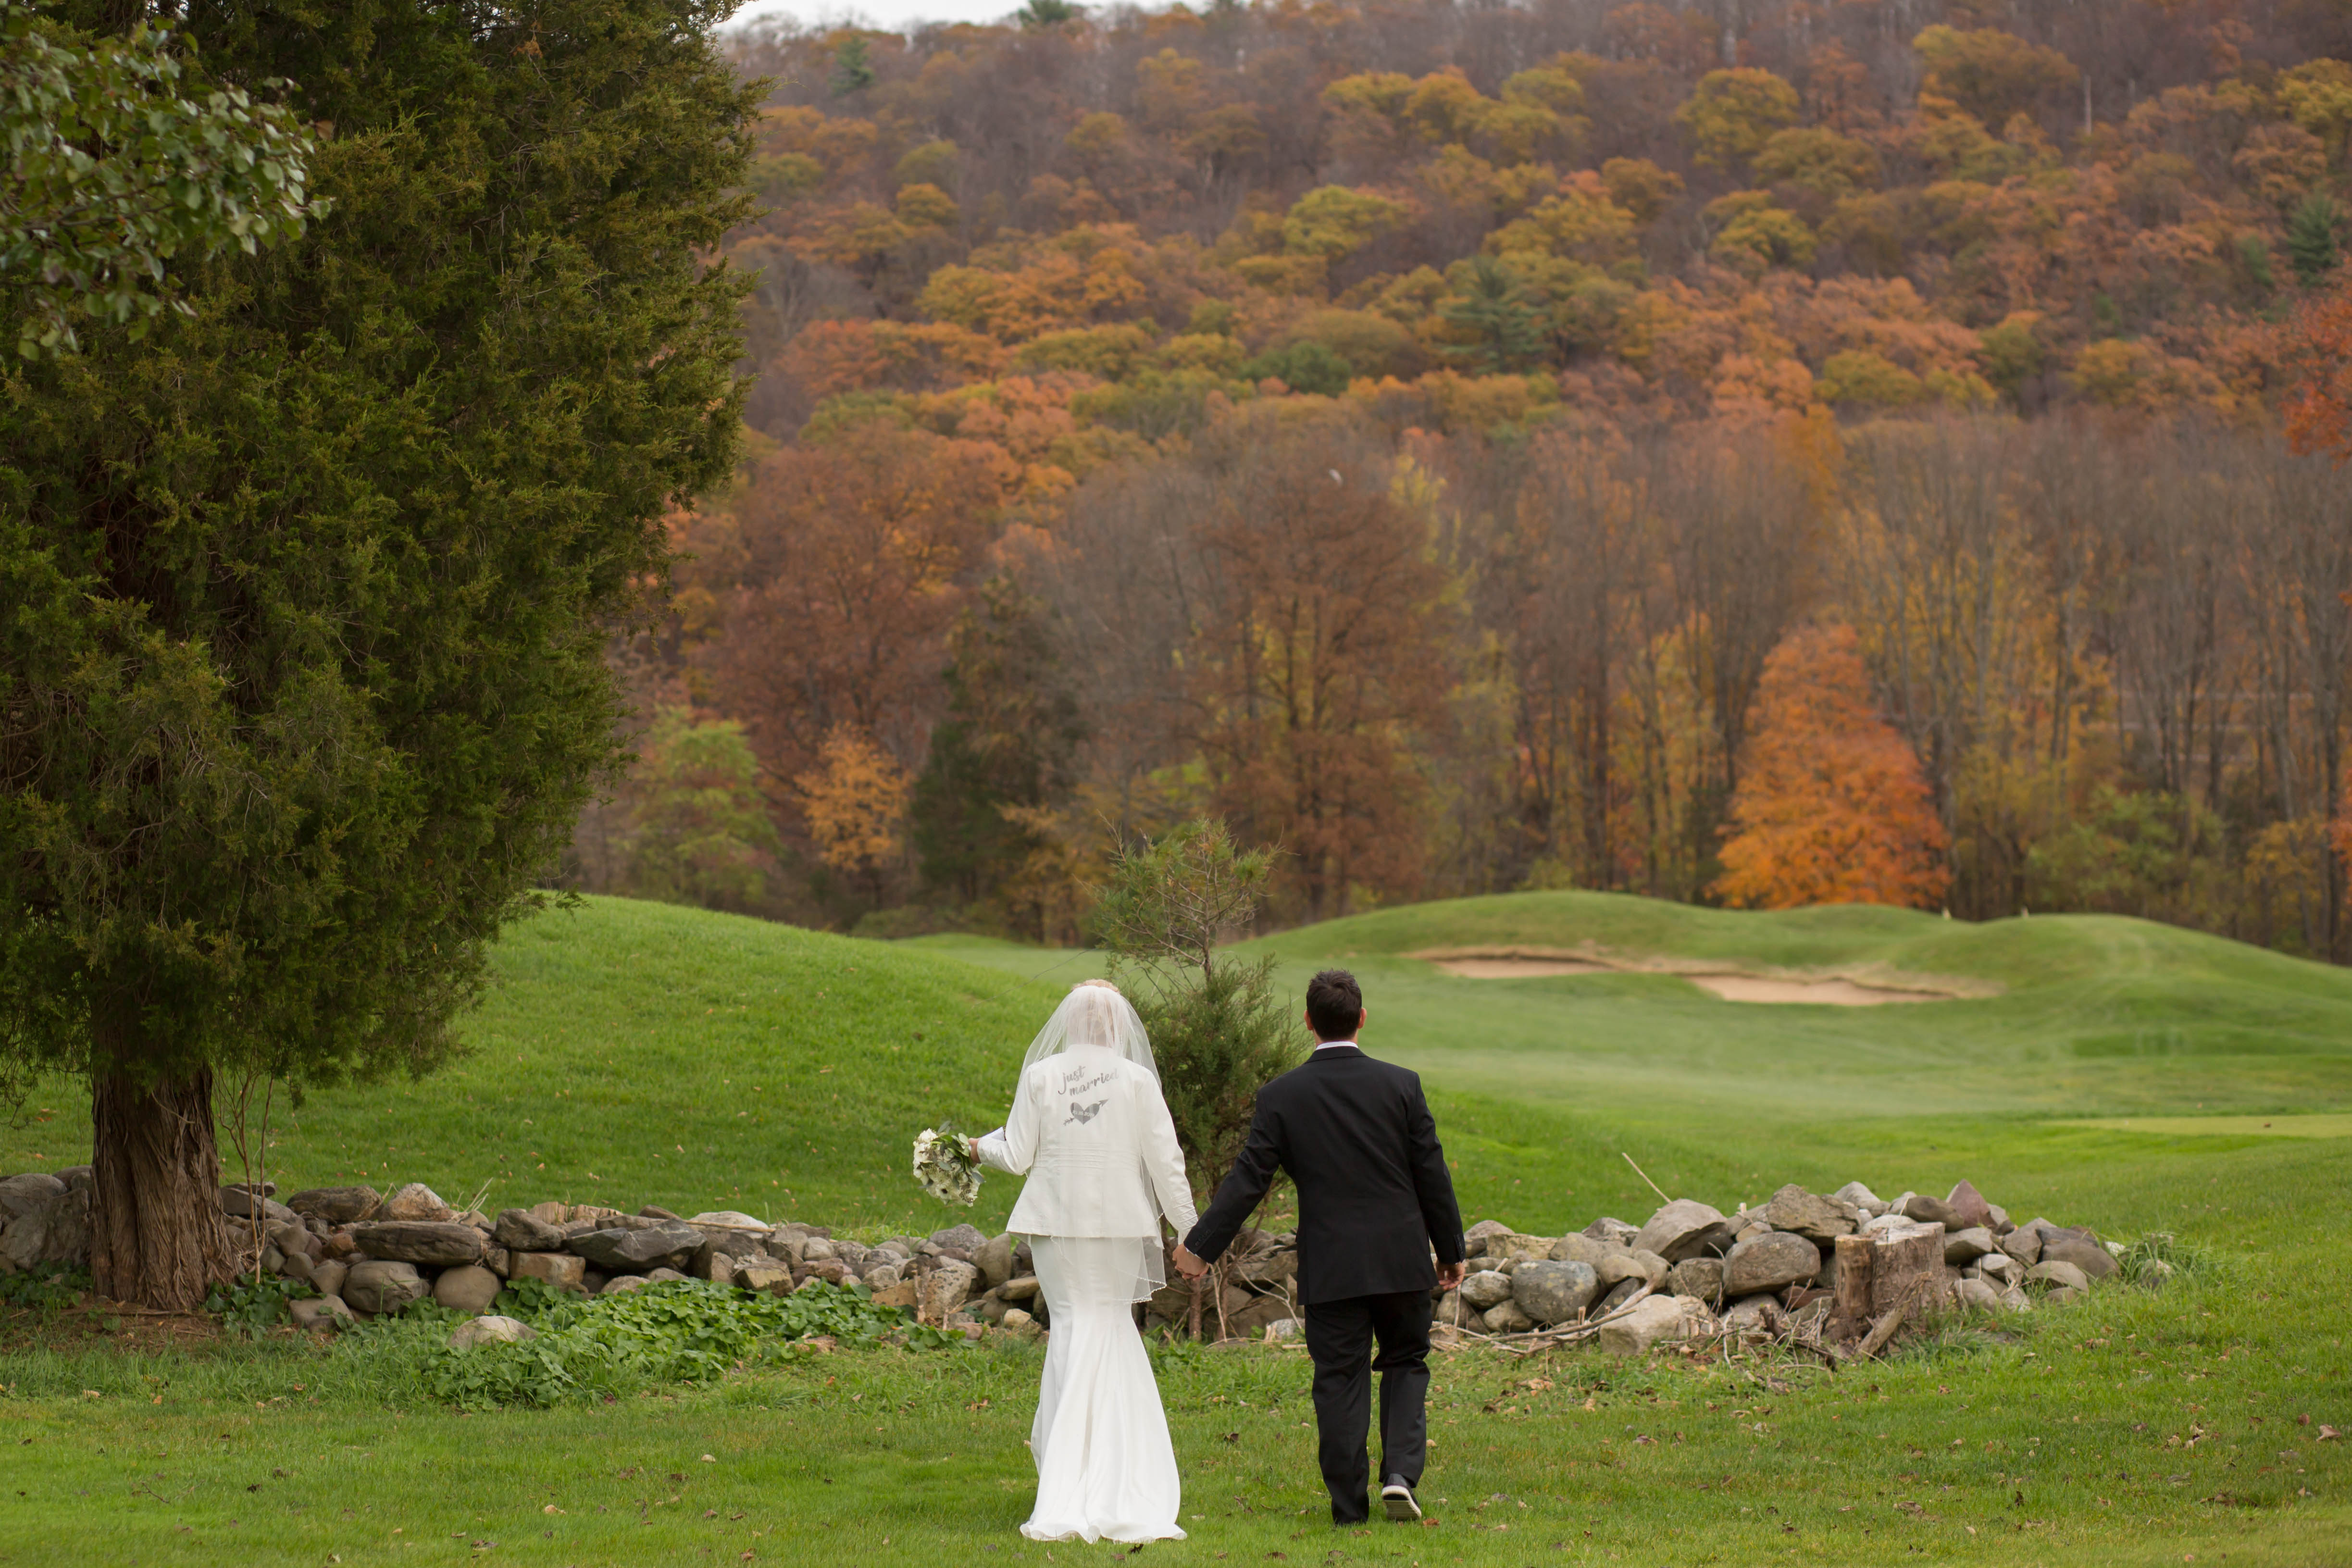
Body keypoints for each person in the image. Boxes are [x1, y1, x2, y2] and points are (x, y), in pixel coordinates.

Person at [1174, 968, 1466, 1526]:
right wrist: (1450, 1247)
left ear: (1308, 1022)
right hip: (1401, 1259)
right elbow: (1432, 1172)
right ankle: (1401, 1475)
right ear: (1361, 1018)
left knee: (1339, 1377)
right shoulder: (1402, 1085)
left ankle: (1348, 1506)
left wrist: (1199, 1246)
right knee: (1406, 1361)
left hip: (1332, 1265)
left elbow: (1247, 1180)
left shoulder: (1281, 1096)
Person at [975, 979, 1197, 1544]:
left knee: (1074, 1329)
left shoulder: (1042, 1075)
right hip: (1122, 1226)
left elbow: (1018, 1153)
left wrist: (977, 1147)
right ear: (1117, 1025)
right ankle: (1120, 1477)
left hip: (1058, 1227)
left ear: (1070, 1023)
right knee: (1111, 1328)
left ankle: (1067, 1481)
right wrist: (1191, 1231)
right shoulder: (1137, 1080)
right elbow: (1167, 1163)